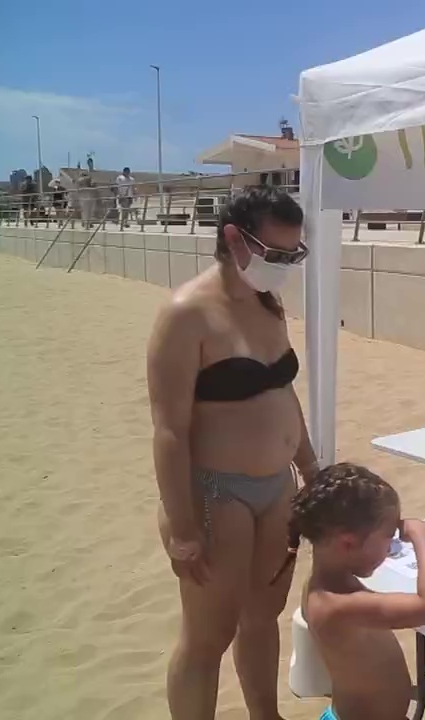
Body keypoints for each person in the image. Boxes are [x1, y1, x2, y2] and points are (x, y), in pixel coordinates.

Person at [148, 185, 317, 720]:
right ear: (233, 240)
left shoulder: (269, 306)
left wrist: (310, 464)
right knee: (207, 637)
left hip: (277, 490)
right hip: (215, 492)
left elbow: (282, 391)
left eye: (295, 255)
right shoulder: (185, 316)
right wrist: (181, 527)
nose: (285, 266)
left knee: (262, 618)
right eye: (276, 255)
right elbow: (169, 431)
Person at [298, 463, 425, 720]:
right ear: (348, 543)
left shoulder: (328, 583)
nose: (392, 545)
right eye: (388, 536)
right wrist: (421, 532)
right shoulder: (336, 605)